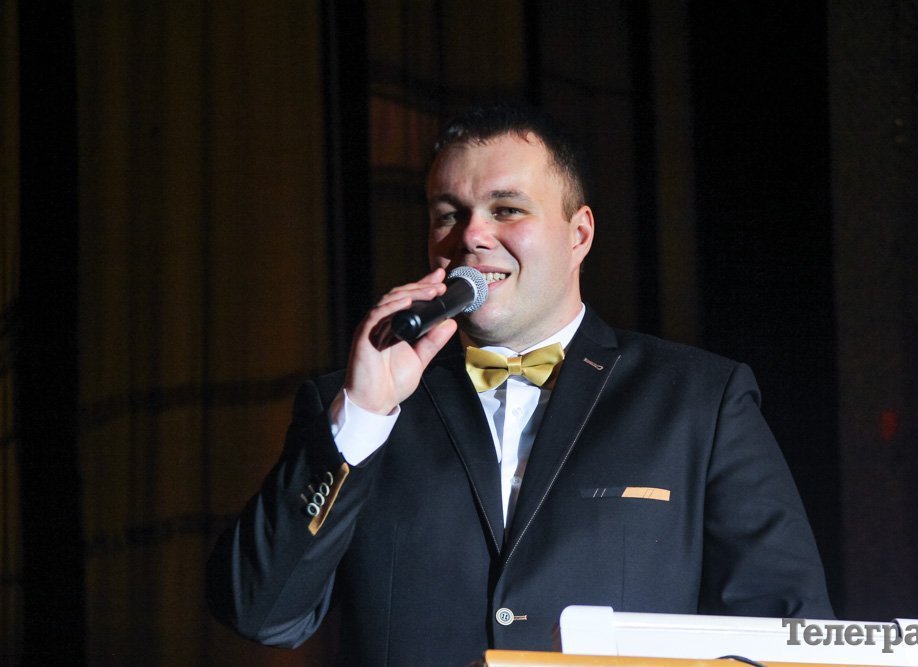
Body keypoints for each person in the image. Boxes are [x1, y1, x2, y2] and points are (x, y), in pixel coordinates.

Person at [206, 103, 833, 665]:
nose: (471, 236)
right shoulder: (357, 406)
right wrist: (363, 416)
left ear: (579, 234)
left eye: (506, 210)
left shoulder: (700, 399)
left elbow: (789, 631)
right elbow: (261, 613)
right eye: (448, 215)